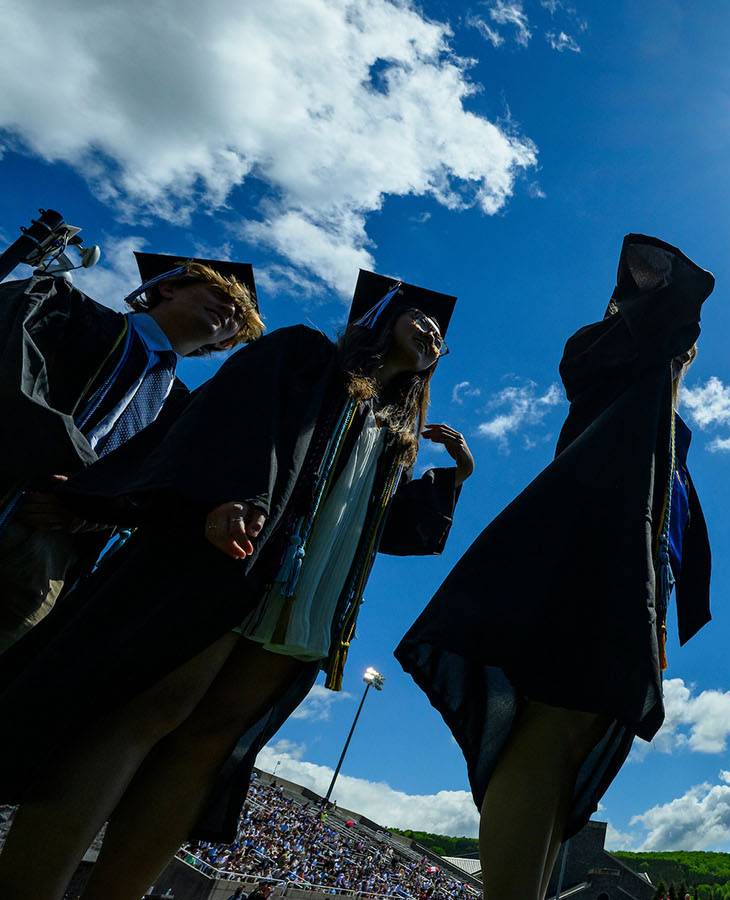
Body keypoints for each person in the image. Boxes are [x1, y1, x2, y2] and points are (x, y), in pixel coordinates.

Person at [0, 271, 470, 900]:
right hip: (239, 550)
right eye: (421, 320)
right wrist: (234, 493)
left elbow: (369, 522)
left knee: (210, 743)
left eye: (440, 336)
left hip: (305, 597)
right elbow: (227, 420)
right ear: (381, 315)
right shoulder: (303, 355)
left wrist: (451, 479)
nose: (432, 334)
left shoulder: (392, 434)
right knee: (149, 709)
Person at [396, 233, 714, 900]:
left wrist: (656, 628)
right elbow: (663, 305)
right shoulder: (605, 354)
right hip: (587, 548)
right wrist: (650, 290)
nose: (688, 343)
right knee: (550, 730)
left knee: (572, 743)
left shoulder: (667, 422)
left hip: (631, 583)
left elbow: (671, 534)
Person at [0, 252, 263, 653]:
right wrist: (87, 482)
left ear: (226, 342)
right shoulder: (65, 310)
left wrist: (91, 510)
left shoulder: (182, 411)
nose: (230, 309)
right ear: (168, 286)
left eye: (239, 318)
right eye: (219, 291)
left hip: (49, 553)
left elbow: (153, 494)